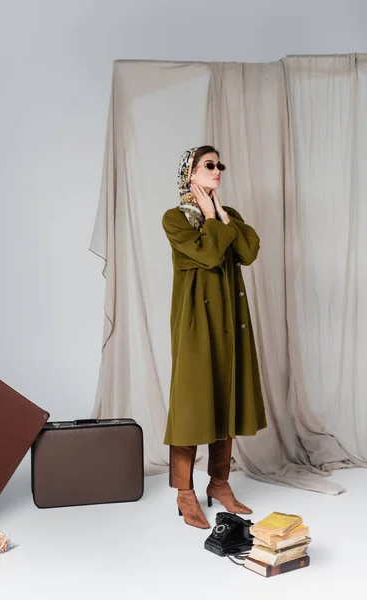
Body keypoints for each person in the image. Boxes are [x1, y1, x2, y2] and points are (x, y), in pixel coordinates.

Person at [162, 146, 267, 529]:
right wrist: (209, 219)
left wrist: (220, 215)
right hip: (196, 322)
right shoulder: (176, 219)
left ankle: (219, 483)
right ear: (190, 173)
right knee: (192, 404)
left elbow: (248, 251)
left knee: (226, 398)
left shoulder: (227, 216)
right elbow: (207, 256)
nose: (218, 170)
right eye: (210, 165)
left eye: (220, 164)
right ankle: (184, 492)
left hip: (230, 319)